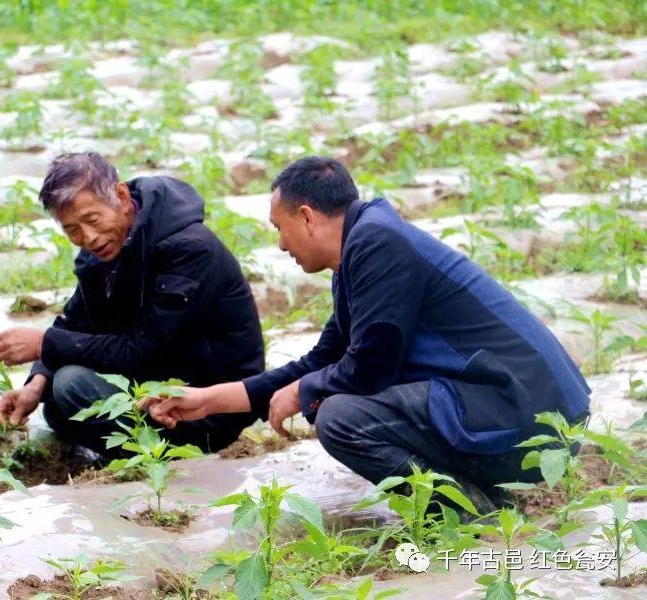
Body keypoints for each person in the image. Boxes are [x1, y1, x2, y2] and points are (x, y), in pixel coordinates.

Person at [146, 156, 591, 511]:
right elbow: (324, 359)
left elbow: (371, 367)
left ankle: (464, 512)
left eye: (279, 228)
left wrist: (305, 391)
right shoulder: (362, 249)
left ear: (306, 217)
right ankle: (477, 496)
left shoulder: (378, 244)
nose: (281, 244)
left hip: (530, 417)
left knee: (339, 416)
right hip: (507, 405)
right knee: (329, 395)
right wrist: (209, 400)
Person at [0, 151, 264, 457]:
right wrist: (36, 383)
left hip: (202, 405)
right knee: (55, 400)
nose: (88, 238)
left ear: (121, 197)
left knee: (71, 386)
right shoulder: (107, 247)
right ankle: (134, 451)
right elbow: (77, 321)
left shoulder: (188, 249)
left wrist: (43, 343)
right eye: (72, 230)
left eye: (92, 220)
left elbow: (145, 350)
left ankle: (157, 458)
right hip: (154, 384)